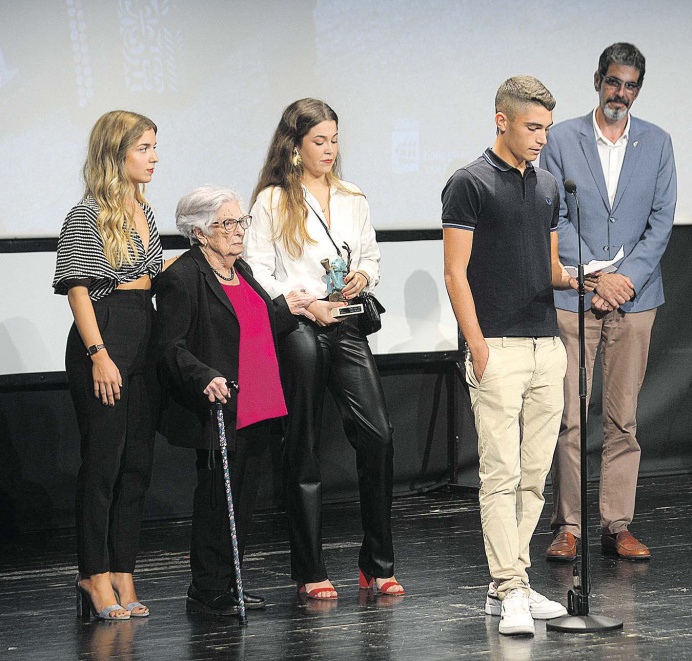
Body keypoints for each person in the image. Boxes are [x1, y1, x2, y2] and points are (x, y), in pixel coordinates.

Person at [243, 98, 403, 599]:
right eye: (319, 140)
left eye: (334, 139)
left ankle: (376, 563)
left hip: (345, 321)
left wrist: (363, 276)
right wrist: (305, 304)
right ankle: (310, 570)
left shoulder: (352, 196)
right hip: (300, 325)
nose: (330, 149)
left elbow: (371, 256)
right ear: (294, 146)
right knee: (304, 444)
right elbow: (256, 269)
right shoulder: (272, 201)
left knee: (378, 436)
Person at [442, 75, 577, 637]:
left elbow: (550, 267)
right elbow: (455, 273)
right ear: (502, 120)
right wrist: (476, 344)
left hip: (547, 343)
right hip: (496, 345)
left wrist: (584, 277)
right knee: (500, 472)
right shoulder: (469, 183)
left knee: (535, 474)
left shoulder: (548, 185)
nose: (542, 138)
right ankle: (510, 585)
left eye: (547, 128)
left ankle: (510, 585)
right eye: (532, 127)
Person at [539, 42, 677, 561]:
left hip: (635, 300)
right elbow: (554, 214)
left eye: (631, 85)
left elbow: (660, 221)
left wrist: (625, 280)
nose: (621, 93)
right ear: (598, 80)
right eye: (614, 82)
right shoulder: (561, 138)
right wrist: (598, 277)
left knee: (623, 419)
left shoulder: (657, 143)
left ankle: (617, 524)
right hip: (575, 295)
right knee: (570, 418)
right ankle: (569, 526)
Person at [154, 186, 316, 616]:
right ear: (199, 233)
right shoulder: (182, 277)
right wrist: (204, 376)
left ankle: (231, 583)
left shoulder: (239, 269)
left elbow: (255, 322)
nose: (239, 230)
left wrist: (287, 308)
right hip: (220, 406)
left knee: (242, 502)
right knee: (216, 501)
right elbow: (169, 347)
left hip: (258, 401)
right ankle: (206, 591)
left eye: (240, 221)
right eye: (227, 223)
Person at [53, 110, 163, 620]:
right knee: (103, 464)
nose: (154, 157)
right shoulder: (86, 214)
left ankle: (123, 570)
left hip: (144, 334)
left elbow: (150, 273)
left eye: (154, 147)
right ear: (115, 154)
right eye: (144, 148)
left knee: (137, 465)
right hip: (104, 334)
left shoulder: (143, 208)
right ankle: (93, 575)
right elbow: (78, 290)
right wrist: (99, 355)